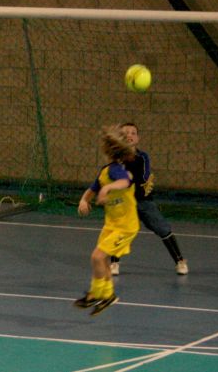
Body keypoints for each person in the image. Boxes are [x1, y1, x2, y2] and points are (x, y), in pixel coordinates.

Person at [109, 122, 188, 276]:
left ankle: (180, 261)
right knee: (121, 230)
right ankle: (114, 263)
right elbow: (114, 176)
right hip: (125, 202)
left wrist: (129, 180)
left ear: (138, 138)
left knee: (163, 229)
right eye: (125, 133)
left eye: (133, 133)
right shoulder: (116, 158)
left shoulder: (143, 157)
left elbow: (143, 176)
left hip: (144, 201)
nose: (129, 136)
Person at [75, 125, 138, 316]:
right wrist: (84, 200)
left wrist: (107, 189)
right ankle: (107, 294)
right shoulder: (105, 172)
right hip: (112, 224)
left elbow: (125, 182)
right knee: (103, 260)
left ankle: (97, 293)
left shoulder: (117, 171)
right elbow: (92, 189)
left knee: (97, 256)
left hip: (126, 227)